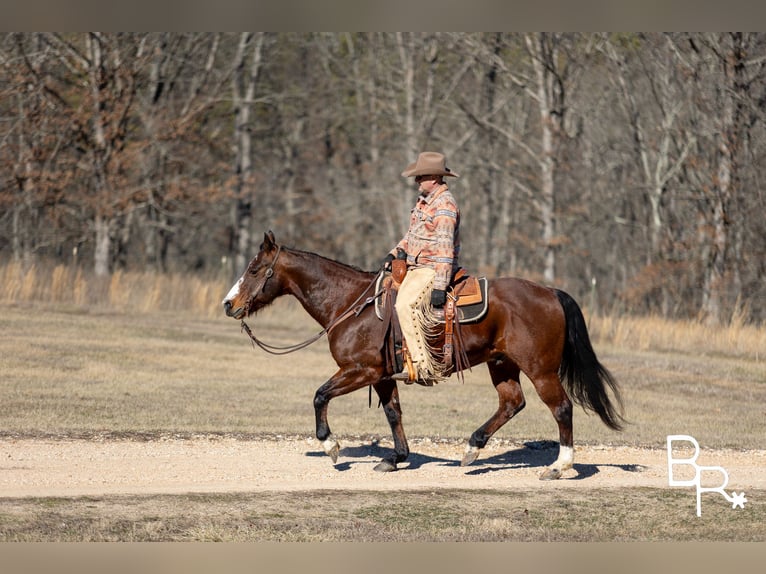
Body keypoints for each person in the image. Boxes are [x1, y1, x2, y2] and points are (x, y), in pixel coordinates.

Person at [383, 151, 461, 385]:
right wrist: (396, 251)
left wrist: (440, 285)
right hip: (415, 266)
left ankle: (422, 367)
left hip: (430, 269)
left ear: (435, 178)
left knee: (405, 305)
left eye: (421, 176)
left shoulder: (445, 206)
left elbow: (445, 249)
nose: (417, 181)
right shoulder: (424, 202)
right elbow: (412, 235)